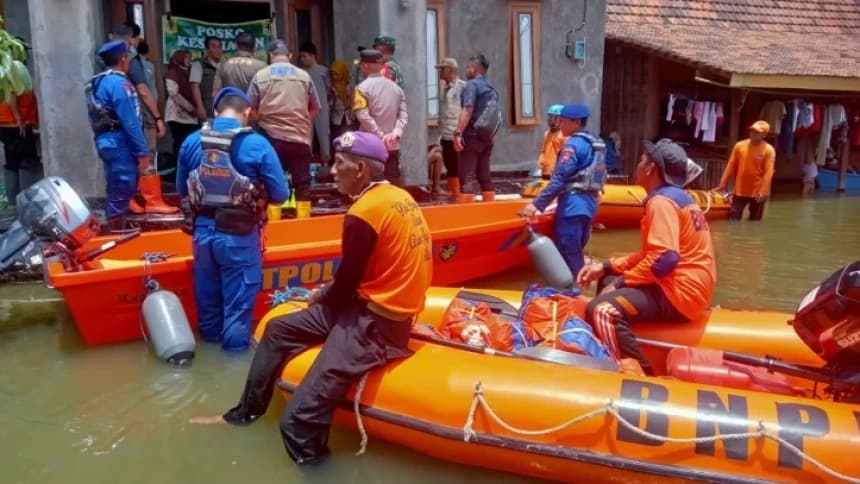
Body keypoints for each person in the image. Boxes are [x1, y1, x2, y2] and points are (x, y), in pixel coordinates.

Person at [189, 131, 433, 466]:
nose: (332, 172)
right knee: (277, 330)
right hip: (364, 307)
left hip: (376, 324)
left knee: (297, 423)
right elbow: (353, 280)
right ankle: (244, 413)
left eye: (339, 163)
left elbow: (345, 283)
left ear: (360, 169)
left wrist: (320, 295)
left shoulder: (365, 212)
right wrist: (325, 300)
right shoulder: (398, 197)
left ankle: (318, 466)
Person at [577, 139, 716, 375]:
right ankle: (609, 345)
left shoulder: (661, 202)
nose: (638, 165)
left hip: (679, 293)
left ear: (651, 168)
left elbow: (665, 259)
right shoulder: (677, 198)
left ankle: (640, 373)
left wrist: (621, 282)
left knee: (602, 310)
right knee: (607, 278)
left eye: (642, 160)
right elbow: (650, 255)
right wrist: (607, 266)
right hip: (686, 287)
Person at [175, 87, 289, 352]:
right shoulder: (257, 144)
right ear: (247, 112)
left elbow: (181, 189)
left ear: (216, 112)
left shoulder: (191, 141)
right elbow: (281, 194)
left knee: (208, 305)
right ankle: (234, 369)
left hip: (202, 235)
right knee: (237, 310)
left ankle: (208, 363)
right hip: (239, 237)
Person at [86, 40, 176, 232]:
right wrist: (142, 152)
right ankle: (116, 234)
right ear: (123, 59)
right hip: (120, 141)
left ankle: (117, 229)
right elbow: (130, 121)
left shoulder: (99, 81)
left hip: (106, 140)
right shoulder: (119, 83)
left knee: (116, 187)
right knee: (123, 187)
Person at [522, 103, 605, 278]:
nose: (560, 125)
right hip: (589, 205)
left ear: (577, 122)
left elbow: (559, 179)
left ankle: (574, 289)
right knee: (576, 249)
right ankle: (579, 286)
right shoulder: (596, 142)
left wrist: (536, 204)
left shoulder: (573, 144)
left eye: (564, 121)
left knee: (568, 250)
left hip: (572, 206)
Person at [248, 40, 321, 218]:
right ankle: (303, 223)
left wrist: (261, 117)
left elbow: (249, 109)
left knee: (272, 183)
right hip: (299, 138)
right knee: (302, 183)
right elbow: (316, 108)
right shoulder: (304, 76)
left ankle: (274, 226)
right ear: (289, 56)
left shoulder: (261, 76)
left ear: (270, 55)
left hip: (271, 138)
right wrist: (302, 120)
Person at [353, 49, 408, 186]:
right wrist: (395, 134)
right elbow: (403, 115)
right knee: (392, 184)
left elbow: (362, 116)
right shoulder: (396, 88)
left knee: (371, 185)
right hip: (392, 146)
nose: (360, 68)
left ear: (365, 65)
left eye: (361, 65)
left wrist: (380, 136)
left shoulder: (361, 88)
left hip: (370, 146)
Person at [453, 54, 497, 202]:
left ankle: (466, 211)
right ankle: (490, 208)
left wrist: (458, 133)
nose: (466, 70)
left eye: (468, 67)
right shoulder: (490, 89)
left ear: (474, 68)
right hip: (487, 137)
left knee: (467, 176)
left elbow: (468, 109)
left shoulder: (471, 86)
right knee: (484, 176)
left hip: (471, 137)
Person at [714, 120, 776, 221]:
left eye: (757, 132)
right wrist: (723, 183)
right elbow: (731, 165)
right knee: (733, 217)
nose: (753, 133)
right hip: (740, 190)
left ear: (764, 135)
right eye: (752, 130)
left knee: (755, 221)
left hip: (758, 192)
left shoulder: (769, 150)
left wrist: (763, 191)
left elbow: (768, 173)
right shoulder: (739, 146)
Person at [436, 57, 466, 199]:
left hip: (456, 134)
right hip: (446, 134)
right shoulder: (445, 88)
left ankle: (460, 193)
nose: (441, 71)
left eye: (443, 69)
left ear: (452, 70)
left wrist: (460, 132)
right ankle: (453, 193)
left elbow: (467, 110)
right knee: (450, 165)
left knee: (458, 165)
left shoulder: (462, 87)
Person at [164, 50, 200, 168]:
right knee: (180, 143)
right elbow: (174, 94)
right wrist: (191, 108)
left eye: (190, 58)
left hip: (191, 116)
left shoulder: (190, 73)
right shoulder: (173, 73)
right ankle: (178, 169)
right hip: (177, 115)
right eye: (186, 58)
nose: (189, 60)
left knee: (191, 143)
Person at [299, 42, 332, 164]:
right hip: (306, 109)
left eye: (304, 56)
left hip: (322, 108)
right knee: (307, 136)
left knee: (324, 135)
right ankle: (308, 161)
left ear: (313, 56)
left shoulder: (323, 71)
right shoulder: (301, 73)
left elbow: (329, 89)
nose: (302, 59)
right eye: (301, 57)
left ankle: (326, 160)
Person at [190, 36, 223, 121]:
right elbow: (195, 87)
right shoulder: (198, 65)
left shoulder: (225, 65)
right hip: (207, 110)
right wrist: (200, 107)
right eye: (214, 46)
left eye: (219, 46)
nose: (217, 50)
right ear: (207, 49)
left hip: (223, 110)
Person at [538, 104, 566, 179]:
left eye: (556, 118)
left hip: (557, 173)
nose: (552, 120)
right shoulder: (547, 134)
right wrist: (541, 159)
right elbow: (543, 150)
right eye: (550, 117)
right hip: (545, 171)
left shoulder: (564, 135)